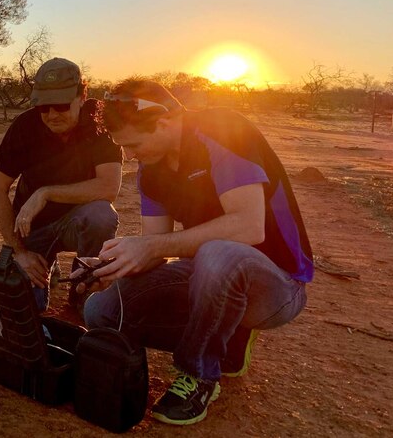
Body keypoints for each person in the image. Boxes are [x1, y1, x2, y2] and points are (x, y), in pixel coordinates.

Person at [79, 79, 311, 425]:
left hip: (276, 286)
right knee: (101, 312)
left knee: (218, 254)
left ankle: (201, 373)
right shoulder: (151, 169)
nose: (130, 155)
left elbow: (249, 227)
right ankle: (226, 339)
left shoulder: (223, 130)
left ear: (166, 122)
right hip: (208, 274)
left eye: (135, 143)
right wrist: (116, 263)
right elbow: (155, 248)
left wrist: (151, 247)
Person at [0, 58, 122, 311]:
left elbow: (108, 188)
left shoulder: (100, 122)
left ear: (82, 95)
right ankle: (42, 263)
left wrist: (45, 193)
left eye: (61, 105)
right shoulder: (24, 127)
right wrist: (19, 252)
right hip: (32, 229)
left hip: (78, 221)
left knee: (101, 215)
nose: (51, 115)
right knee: (19, 308)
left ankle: (84, 287)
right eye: (43, 107)